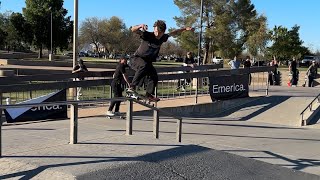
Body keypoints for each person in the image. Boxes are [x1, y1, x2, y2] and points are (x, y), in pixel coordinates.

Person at [127, 20, 194, 101]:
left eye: (159, 32)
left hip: (147, 62)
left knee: (154, 76)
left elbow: (174, 33)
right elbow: (132, 29)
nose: (157, 34)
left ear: (163, 32)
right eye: (155, 31)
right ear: (154, 29)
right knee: (143, 65)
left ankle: (149, 95)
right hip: (135, 59)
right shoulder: (148, 35)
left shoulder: (163, 37)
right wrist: (140, 26)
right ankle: (132, 88)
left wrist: (185, 29)